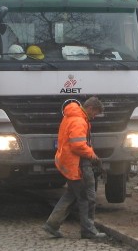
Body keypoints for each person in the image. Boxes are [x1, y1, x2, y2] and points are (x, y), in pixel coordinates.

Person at [42, 97, 107, 240]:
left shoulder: (72, 117)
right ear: (89, 108)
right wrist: (93, 156)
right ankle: (88, 230)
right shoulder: (79, 121)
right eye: (95, 113)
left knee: (71, 195)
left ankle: (52, 224)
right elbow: (78, 146)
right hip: (78, 164)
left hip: (71, 162)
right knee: (88, 197)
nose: (94, 117)